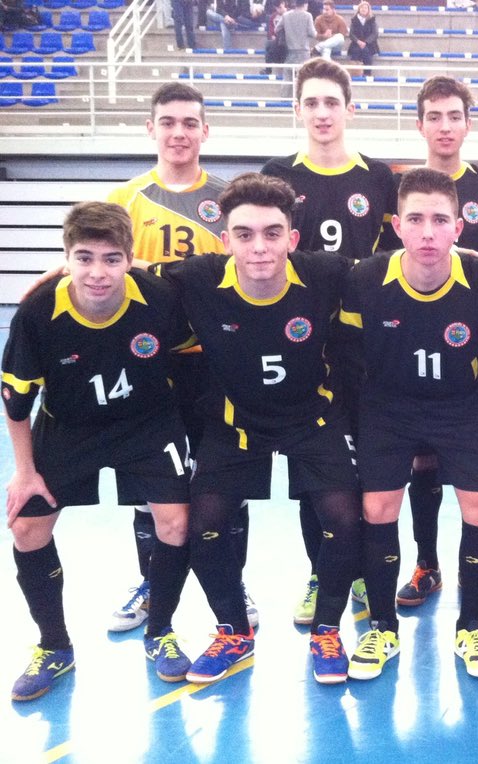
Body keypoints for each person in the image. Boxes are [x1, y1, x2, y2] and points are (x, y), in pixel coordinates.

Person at [155, 173, 363, 686]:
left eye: (272, 233)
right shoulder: (196, 277)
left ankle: (328, 630)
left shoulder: (326, 273)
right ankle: (232, 631)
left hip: (312, 419)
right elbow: (124, 271)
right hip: (234, 424)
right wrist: (58, 272)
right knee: (203, 523)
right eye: (244, 234)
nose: (259, 246)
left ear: (292, 239)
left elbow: (398, 267)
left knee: (346, 519)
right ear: (225, 240)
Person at [4, 202, 194, 701]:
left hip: (148, 423)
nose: (97, 272)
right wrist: (24, 472)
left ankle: (161, 631)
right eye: (84, 258)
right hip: (69, 428)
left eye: (111, 259)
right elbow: (17, 403)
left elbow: (196, 344)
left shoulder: (158, 296)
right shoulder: (38, 312)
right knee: (26, 526)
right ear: (66, 259)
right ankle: (54, 645)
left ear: (130, 259)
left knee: (175, 522)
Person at [339, 168, 478, 681]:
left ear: (459, 226)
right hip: (389, 406)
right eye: (416, 219)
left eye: (440, 220)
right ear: (395, 226)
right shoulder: (365, 278)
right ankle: (383, 628)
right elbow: (348, 358)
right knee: (377, 507)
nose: (428, 232)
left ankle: (471, 624)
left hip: (462, 405)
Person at [106, 83, 258, 634]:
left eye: (189, 123)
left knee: (226, 481)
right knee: (151, 485)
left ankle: (234, 585)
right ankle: (152, 583)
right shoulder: (123, 202)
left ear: (204, 131)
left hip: (213, 363)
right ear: (151, 128)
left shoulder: (230, 202)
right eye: (167, 121)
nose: (178, 132)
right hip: (146, 366)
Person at [261, 58, 396, 624]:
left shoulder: (379, 177)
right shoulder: (275, 176)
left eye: (331, 102)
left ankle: (363, 573)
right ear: (298, 109)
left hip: (366, 347)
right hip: (300, 346)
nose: (321, 113)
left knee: (368, 468)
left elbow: (400, 256)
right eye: (311, 102)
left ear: (349, 108)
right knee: (310, 473)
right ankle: (322, 574)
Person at [389, 76, 478, 609]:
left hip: (472, 348)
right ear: (420, 125)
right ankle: (426, 563)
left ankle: (474, 578)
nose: (444, 126)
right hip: (411, 344)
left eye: (453, 116)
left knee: (473, 472)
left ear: (467, 123)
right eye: (433, 116)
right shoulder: (399, 184)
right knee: (421, 466)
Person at [279, 0, 317, 69]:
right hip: (304, 52)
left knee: (288, 77)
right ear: (305, 4)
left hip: (290, 51)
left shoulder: (286, 15)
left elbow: (277, 29)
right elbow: (313, 33)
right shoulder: (308, 15)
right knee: (303, 76)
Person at [347, 1, 379, 77]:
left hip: (369, 44)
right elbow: (351, 34)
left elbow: (375, 34)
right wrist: (358, 41)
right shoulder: (354, 20)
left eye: (365, 8)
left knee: (366, 51)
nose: (363, 9)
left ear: (368, 10)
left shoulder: (372, 20)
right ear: (359, 9)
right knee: (356, 51)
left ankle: (367, 73)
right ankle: (355, 73)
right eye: (362, 7)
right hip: (356, 43)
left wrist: (366, 42)